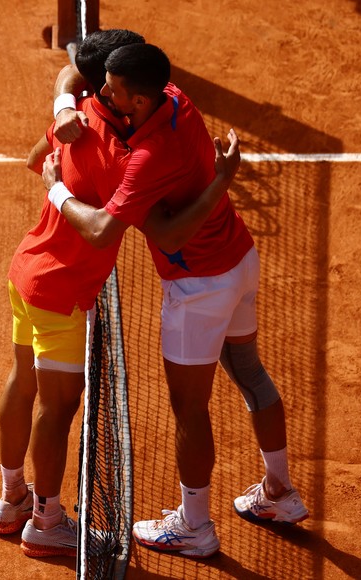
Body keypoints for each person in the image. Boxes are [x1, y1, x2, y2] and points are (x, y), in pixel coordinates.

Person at [42, 42, 308, 559]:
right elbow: (78, 67)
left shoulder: (145, 160)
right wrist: (64, 104)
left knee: (190, 409)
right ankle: (279, 491)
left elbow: (113, 232)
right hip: (240, 257)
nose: (100, 94)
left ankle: (194, 526)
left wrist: (56, 190)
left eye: (111, 92)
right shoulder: (175, 97)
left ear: (136, 102)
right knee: (251, 373)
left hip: (197, 287)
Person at [0, 29, 243, 560]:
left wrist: (63, 114)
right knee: (58, 409)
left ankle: (11, 497)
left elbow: (37, 155)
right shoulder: (120, 154)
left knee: (22, 383)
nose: (103, 93)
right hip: (62, 290)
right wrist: (217, 185)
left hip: (27, 270)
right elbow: (143, 229)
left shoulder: (76, 115)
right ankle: (45, 520)